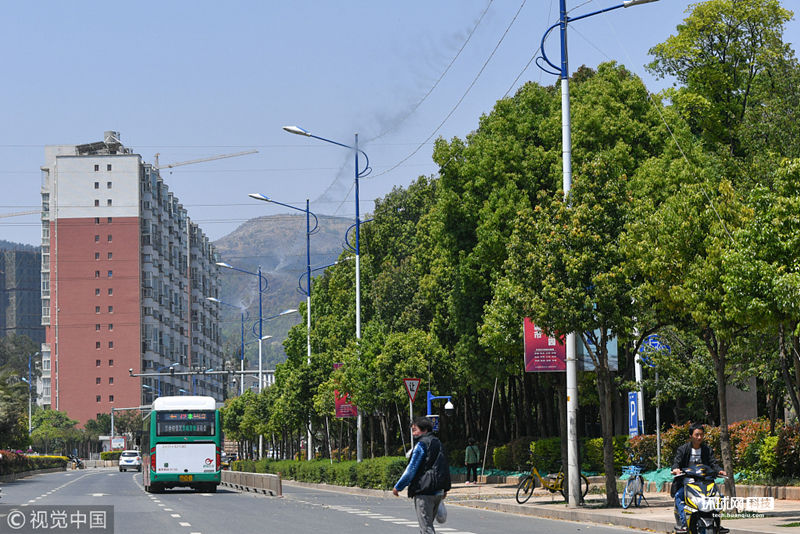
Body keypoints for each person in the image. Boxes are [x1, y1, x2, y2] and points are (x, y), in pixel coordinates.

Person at [393, 416, 451, 534]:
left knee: (426, 528)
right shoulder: (438, 443)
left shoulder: (422, 444)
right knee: (427, 525)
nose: (413, 433)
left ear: (424, 430)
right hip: (438, 491)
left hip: (424, 490)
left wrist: (398, 486)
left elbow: (412, 468)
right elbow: (444, 466)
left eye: (415, 430)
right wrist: (445, 488)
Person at [670, 422, 728, 534]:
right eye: (697, 435)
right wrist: (676, 469)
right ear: (691, 436)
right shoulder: (683, 449)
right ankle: (684, 524)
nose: (699, 437)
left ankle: (717, 523)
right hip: (688, 483)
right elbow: (676, 462)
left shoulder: (707, 450)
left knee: (719, 497)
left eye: (701, 435)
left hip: (706, 483)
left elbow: (713, 463)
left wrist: (719, 470)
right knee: (679, 496)